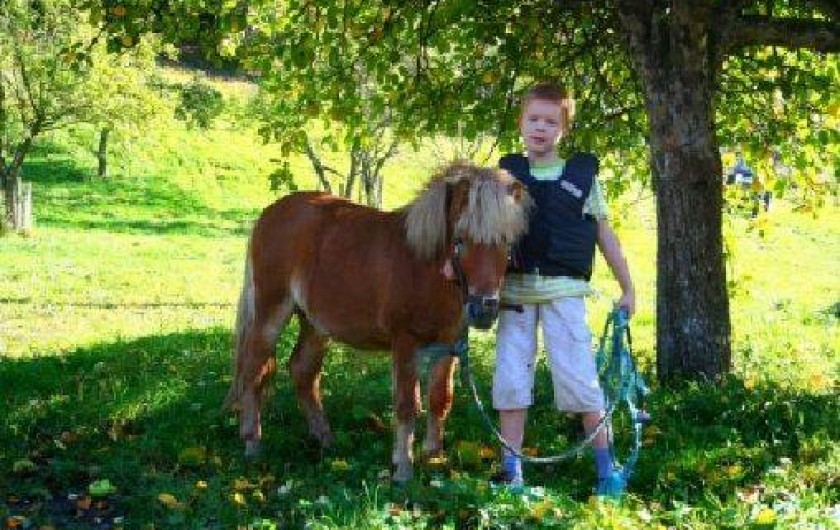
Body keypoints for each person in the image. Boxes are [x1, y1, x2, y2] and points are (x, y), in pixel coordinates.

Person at [491, 82, 636, 497]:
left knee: (580, 380)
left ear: (564, 129)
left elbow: (604, 234)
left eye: (550, 121)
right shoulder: (505, 177)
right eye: (533, 119)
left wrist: (627, 287)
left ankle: (607, 473)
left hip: (564, 294)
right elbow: (481, 231)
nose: (540, 128)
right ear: (521, 123)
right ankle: (511, 471)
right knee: (510, 381)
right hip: (516, 294)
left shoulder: (582, 178)